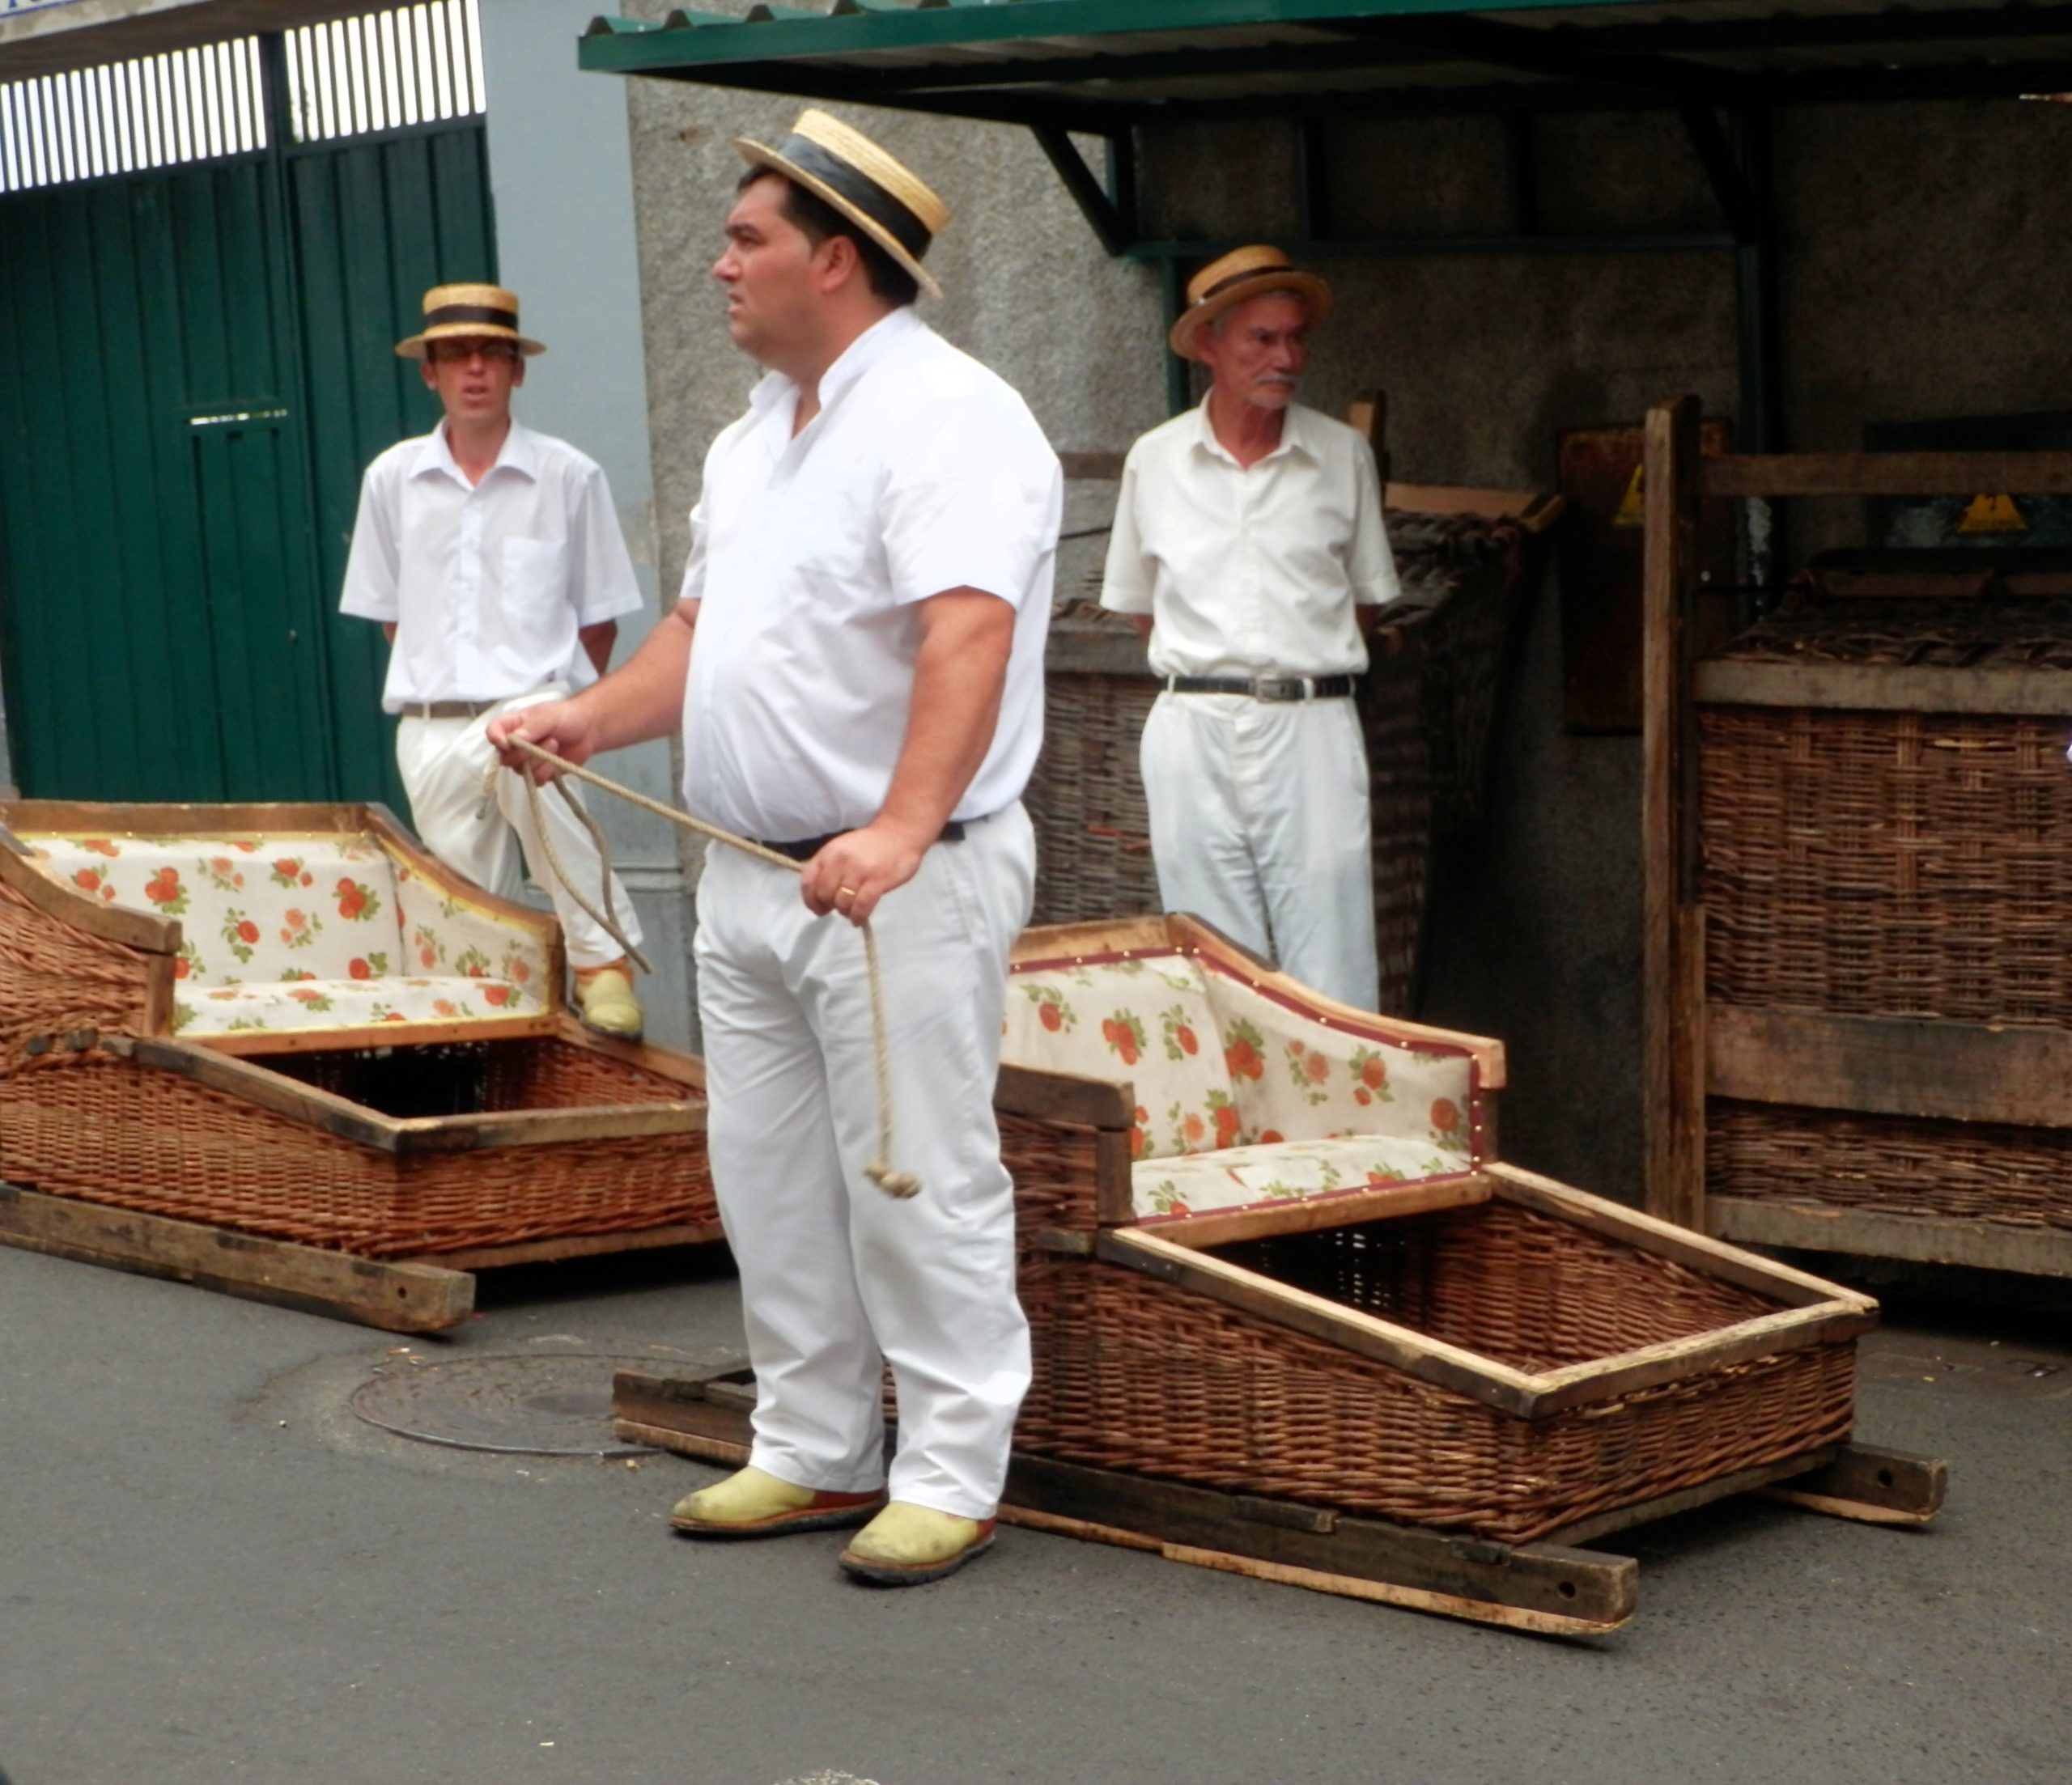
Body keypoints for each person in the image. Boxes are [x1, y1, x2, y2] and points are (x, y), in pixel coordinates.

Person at [490, 110, 1060, 1586]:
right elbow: (700, 629)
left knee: (912, 1173)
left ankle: (950, 1466)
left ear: (840, 261)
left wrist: (901, 826)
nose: (718, 265)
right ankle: (810, 1448)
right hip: (751, 873)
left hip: (893, 882)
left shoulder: (951, 414)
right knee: (770, 1176)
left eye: (747, 239)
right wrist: (588, 720)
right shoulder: (756, 436)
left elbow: (970, 630)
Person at [338, 282, 648, 1039]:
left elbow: (598, 621)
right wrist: (452, 692)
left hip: (533, 704)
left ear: (517, 370)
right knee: (472, 903)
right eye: (455, 355)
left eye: (492, 354)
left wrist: (563, 705)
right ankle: (516, 1014)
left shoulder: (570, 476)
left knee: (530, 749)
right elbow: (392, 619)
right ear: (430, 373)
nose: (474, 369)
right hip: (430, 726)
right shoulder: (391, 480)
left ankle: (603, 962)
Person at [1100, 245, 1403, 1012]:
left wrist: (1296, 668)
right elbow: (1144, 606)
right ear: (1210, 344)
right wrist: (1217, 674)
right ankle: (1235, 1131)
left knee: (1331, 952)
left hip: (1313, 724)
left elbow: (1364, 602)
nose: (1286, 357)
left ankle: (1342, 1131)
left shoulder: (1342, 455)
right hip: (1192, 722)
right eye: (1262, 339)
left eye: (1296, 338)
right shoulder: (1155, 460)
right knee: (1208, 955)